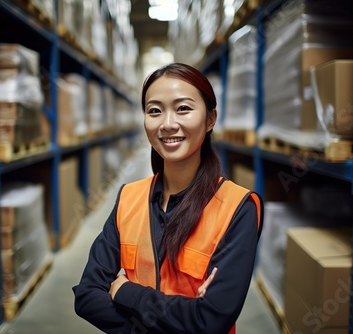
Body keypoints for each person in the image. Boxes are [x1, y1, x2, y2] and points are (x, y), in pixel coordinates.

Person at [72, 62, 263, 334]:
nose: (168, 124)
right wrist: (183, 318)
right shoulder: (129, 198)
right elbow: (87, 296)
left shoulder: (237, 208)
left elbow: (210, 320)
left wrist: (125, 291)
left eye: (183, 108)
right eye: (154, 111)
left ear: (211, 119)